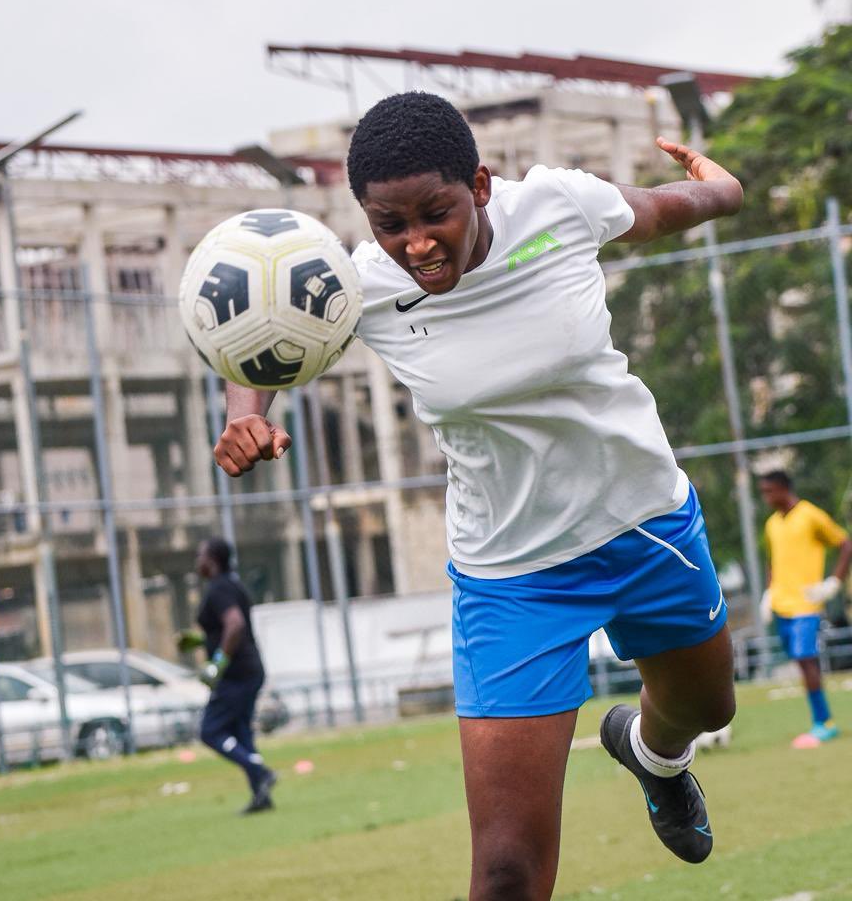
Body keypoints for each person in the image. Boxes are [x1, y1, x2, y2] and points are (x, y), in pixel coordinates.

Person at [214, 92, 740, 899]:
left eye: (437, 213)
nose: (417, 242)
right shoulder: (358, 288)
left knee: (704, 707)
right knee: (504, 871)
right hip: (512, 577)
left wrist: (724, 188)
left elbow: (667, 207)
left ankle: (650, 752)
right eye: (391, 223)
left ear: (482, 187)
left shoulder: (558, 205)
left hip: (644, 522)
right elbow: (262, 345)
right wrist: (244, 418)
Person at [176, 537, 276, 813]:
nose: (198, 561)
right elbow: (222, 630)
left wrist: (217, 663)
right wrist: (199, 641)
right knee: (242, 733)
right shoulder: (233, 585)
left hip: (237, 674)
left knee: (210, 730)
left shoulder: (219, 588)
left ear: (212, 560)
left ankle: (260, 771)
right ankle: (261, 794)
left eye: (200, 555)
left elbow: (234, 625)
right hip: (250, 669)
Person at [757, 469, 851, 746]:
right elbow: (772, 560)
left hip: (806, 604)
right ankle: (821, 720)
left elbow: (845, 544)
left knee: (806, 658)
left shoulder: (810, 514)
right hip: (781, 604)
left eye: (769, 491)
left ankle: (824, 723)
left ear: (784, 489)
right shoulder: (772, 523)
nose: (766, 497)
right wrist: (769, 592)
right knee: (800, 660)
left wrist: (834, 582)